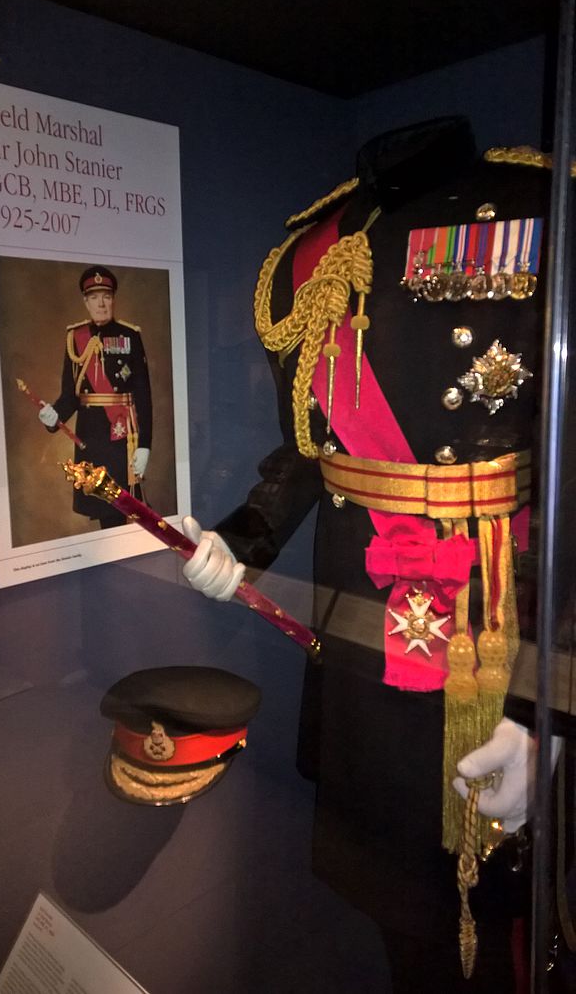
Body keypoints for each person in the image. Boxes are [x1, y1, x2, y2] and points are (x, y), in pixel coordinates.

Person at [180, 118, 575, 991]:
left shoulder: (536, 208)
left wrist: (547, 702)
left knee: (497, 911)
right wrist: (246, 534)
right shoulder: (313, 251)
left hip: (490, 625)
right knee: (400, 908)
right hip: (363, 628)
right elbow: (311, 448)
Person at [39, 265, 152, 528]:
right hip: (90, 437)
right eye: (94, 297)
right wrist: (53, 417)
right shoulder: (74, 338)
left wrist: (145, 443)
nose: (101, 303)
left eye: (107, 296)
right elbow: (71, 395)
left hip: (122, 437)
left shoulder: (130, 336)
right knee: (103, 509)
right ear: (86, 302)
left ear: (113, 299)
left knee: (121, 507)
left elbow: (143, 395)